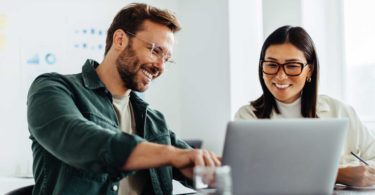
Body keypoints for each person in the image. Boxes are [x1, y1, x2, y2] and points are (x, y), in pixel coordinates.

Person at [27, 3, 220, 195]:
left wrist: (217, 167)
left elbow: (195, 164)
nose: (160, 67)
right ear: (120, 40)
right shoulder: (53, 88)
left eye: (167, 59)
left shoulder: (154, 121)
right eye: (155, 50)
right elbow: (81, 139)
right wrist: (171, 155)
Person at [235, 25, 375, 187]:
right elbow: (248, 174)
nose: (280, 76)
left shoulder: (340, 111)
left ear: (310, 70)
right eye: (272, 65)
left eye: (292, 66)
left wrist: (363, 174)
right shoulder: (247, 118)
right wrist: (337, 174)